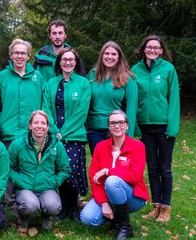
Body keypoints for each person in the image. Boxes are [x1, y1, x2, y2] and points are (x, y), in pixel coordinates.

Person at [132, 35, 180, 222]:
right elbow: (134, 100)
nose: (152, 50)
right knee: (151, 167)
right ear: (144, 49)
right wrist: (135, 127)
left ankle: (166, 208)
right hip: (145, 127)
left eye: (156, 47)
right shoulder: (136, 70)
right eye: (149, 47)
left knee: (164, 168)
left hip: (164, 127)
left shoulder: (168, 70)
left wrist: (172, 127)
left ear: (161, 51)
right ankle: (156, 206)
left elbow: (174, 99)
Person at [80, 110, 149, 240]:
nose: (117, 126)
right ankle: (115, 218)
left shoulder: (138, 146)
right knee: (87, 218)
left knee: (112, 181)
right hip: (108, 195)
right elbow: (94, 178)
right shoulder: (100, 147)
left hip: (133, 197)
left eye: (120, 122)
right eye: (112, 123)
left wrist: (108, 171)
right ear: (109, 126)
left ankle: (125, 227)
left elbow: (134, 177)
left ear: (127, 125)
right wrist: (104, 203)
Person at [42, 47, 90, 221]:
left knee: (70, 170)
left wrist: (64, 133)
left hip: (74, 135)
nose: (68, 62)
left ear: (76, 62)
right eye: (64, 59)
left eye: (71, 59)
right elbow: (46, 108)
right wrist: (54, 131)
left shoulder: (83, 83)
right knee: (59, 170)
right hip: (54, 136)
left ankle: (74, 206)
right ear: (59, 62)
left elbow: (81, 112)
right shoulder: (51, 83)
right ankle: (64, 207)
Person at [8, 110, 71, 235]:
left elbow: (65, 169)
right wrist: (19, 180)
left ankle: (46, 216)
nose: (39, 126)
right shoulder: (18, 144)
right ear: (30, 125)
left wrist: (53, 181)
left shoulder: (56, 145)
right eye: (36, 122)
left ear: (48, 126)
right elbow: (7, 168)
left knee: (54, 206)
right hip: (25, 187)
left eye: (43, 123)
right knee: (30, 205)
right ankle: (23, 218)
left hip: (47, 187)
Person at [87, 41, 138, 155]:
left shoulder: (127, 79)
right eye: (106, 53)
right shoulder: (92, 76)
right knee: (100, 167)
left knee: (116, 166)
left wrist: (128, 133)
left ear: (119, 57)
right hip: (95, 129)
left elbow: (132, 108)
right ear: (102, 56)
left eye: (114, 54)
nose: (109, 57)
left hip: (117, 129)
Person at [0, 39, 44, 148]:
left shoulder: (38, 78)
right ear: (11, 55)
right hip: (9, 134)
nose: (19, 56)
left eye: (23, 53)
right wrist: (0, 126)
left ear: (28, 56)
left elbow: (44, 104)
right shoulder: (2, 77)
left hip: (33, 134)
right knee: (9, 165)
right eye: (16, 53)